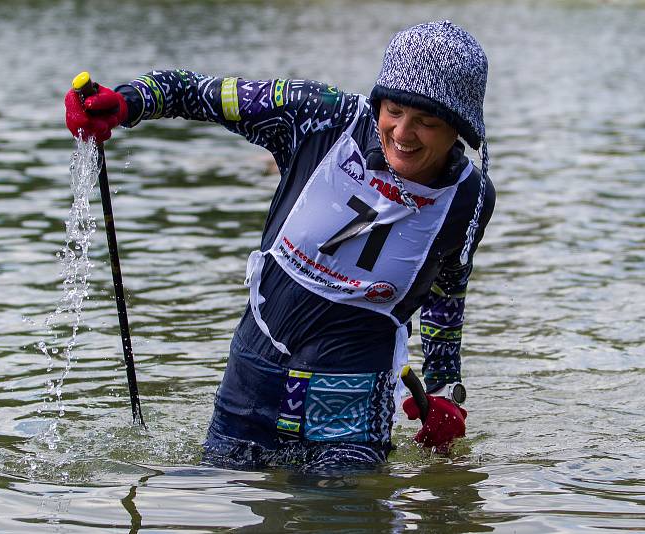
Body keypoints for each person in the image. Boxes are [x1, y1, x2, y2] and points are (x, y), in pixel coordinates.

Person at [65, 20, 495, 470]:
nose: (403, 133)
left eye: (425, 121)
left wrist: (446, 390)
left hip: (351, 395)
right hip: (254, 376)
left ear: (459, 131)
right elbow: (194, 91)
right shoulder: (318, 116)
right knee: (231, 497)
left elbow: (447, 286)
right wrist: (125, 103)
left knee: (342, 510)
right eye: (393, 111)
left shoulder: (471, 197)